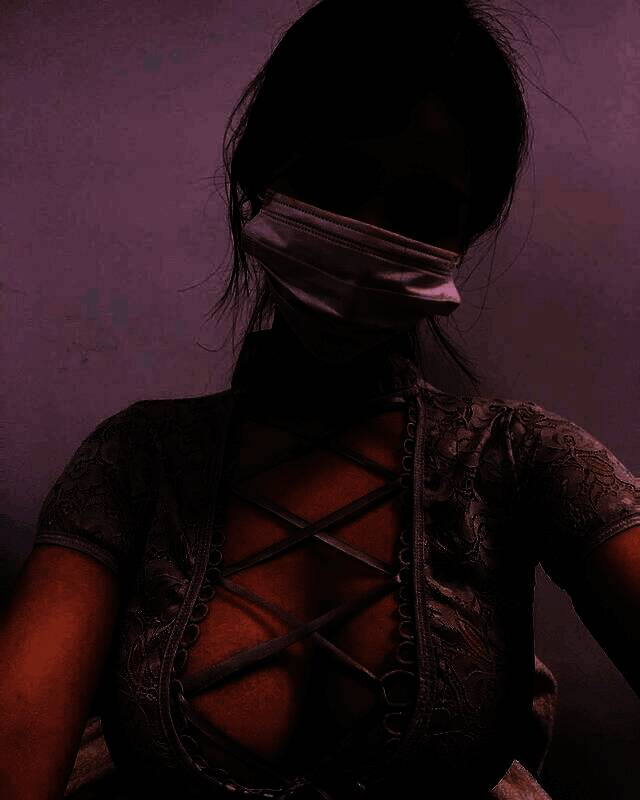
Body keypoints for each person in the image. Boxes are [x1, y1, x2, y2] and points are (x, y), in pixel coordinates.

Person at [1, 2, 639, 799]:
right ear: (259, 179)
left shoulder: (523, 461)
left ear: (463, 238)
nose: (365, 231)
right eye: (336, 181)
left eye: (421, 209)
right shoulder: (136, 465)